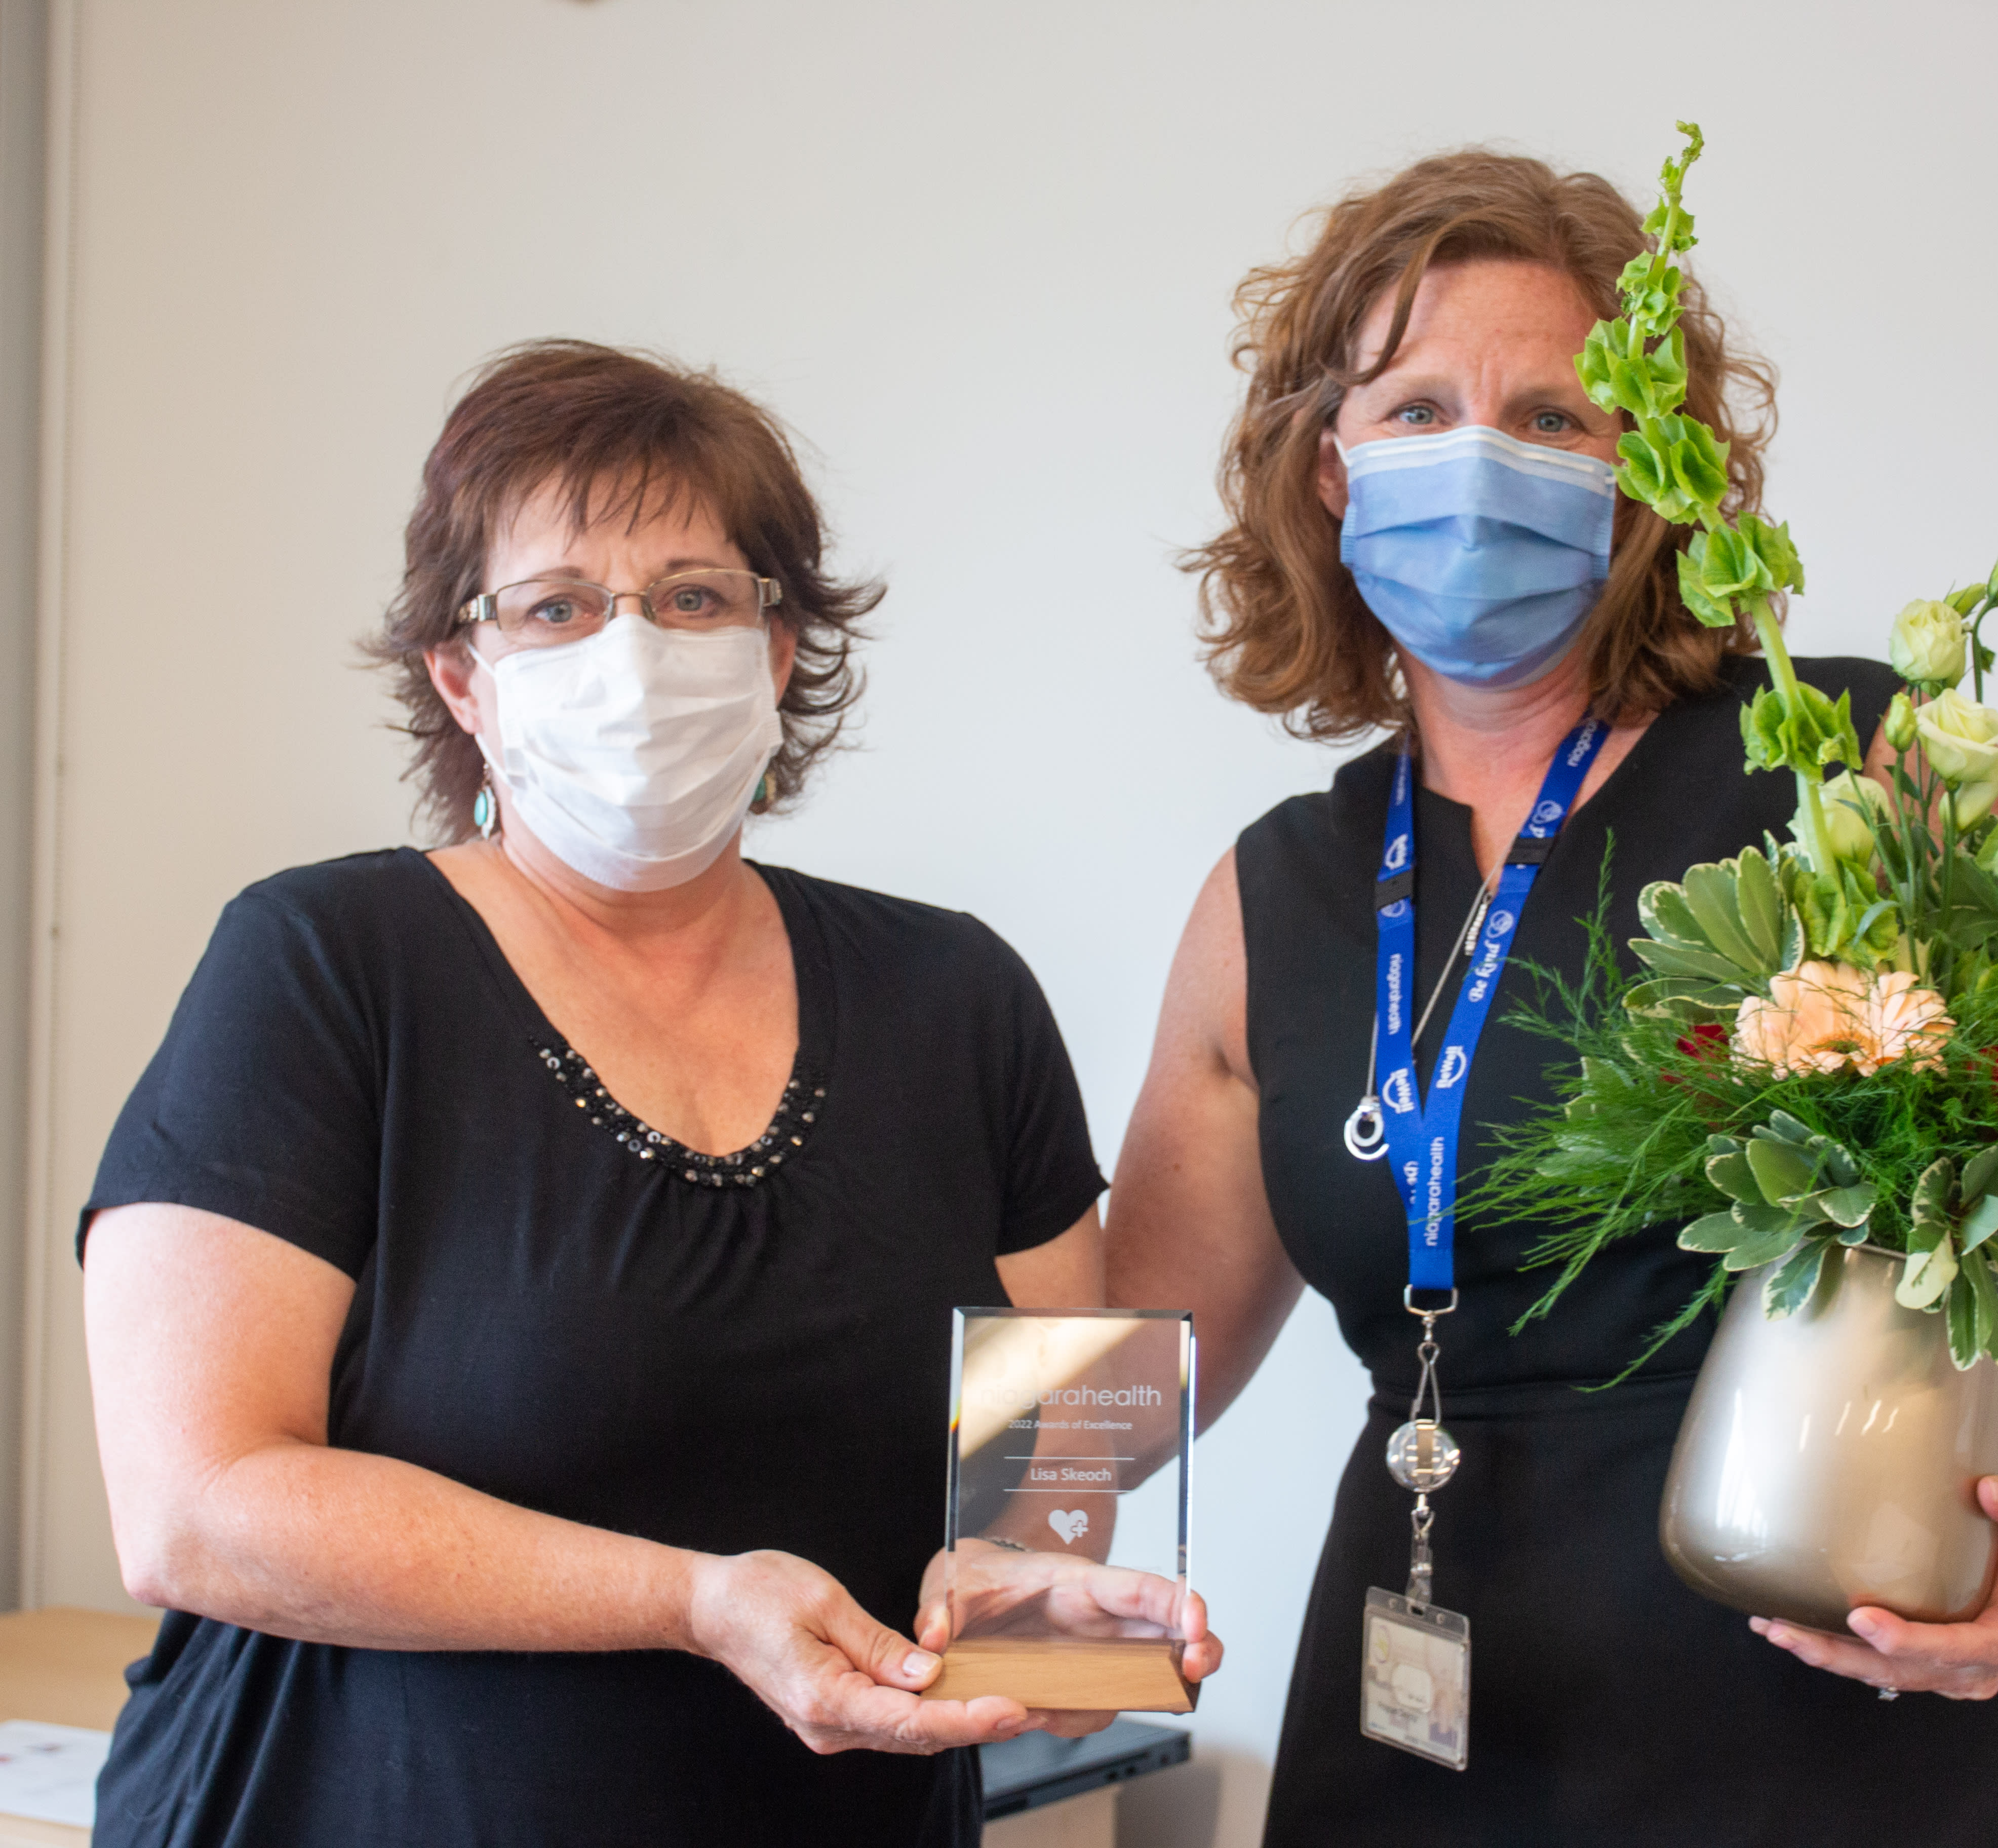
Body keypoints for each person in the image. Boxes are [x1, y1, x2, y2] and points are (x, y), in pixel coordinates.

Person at [1107, 151, 1998, 1845]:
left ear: (1651, 473)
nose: (1478, 457)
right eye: (1415, 406)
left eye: (1553, 416)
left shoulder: (1862, 765)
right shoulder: (1273, 897)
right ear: (1328, 470)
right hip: (1418, 1731)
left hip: (1842, 1699)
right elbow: (1132, 1361)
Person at [80, 340, 1217, 1848]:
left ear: (780, 648)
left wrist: (1055, 1630)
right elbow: (195, 1509)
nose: (630, 651)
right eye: (555, 607)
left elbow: (1047, 1505)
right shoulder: (324, 967)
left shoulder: (960, 999)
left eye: (693, 596)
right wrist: (691, 1603)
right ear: (461, 678)